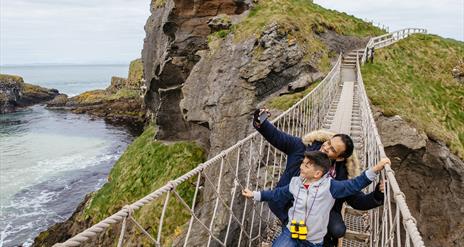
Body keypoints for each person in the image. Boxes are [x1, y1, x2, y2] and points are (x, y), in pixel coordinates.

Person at [252, 109, 385, 246]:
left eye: (333, 149)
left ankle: (320, 237)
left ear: (339, 158)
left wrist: (378, 195)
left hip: (320, 211)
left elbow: (358, 201)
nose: (326, 147)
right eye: (328, 142)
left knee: (338, 229)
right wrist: (260, 121)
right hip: (289, 203)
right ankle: (290, 225)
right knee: (283, 213)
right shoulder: (301, 147)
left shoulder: (341, 175)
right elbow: (277, 137)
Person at [242, 151, 390, 247]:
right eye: (303, 163)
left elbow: (354, 184)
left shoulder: (330, 187)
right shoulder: (295, 182)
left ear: (318, 174)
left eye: (307, 165)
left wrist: (377, 168)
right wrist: (255, 195)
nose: (301, 167)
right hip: (291, 232)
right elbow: (277, 194)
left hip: (313, 240)